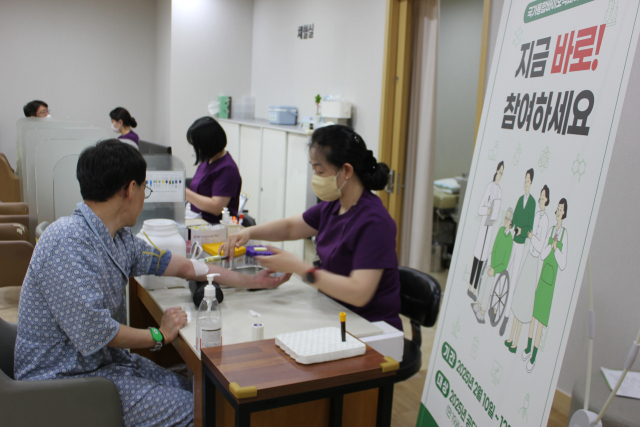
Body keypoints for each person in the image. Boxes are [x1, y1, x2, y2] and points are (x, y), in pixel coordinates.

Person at [14, 139, 290, 427]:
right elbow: (97, 333)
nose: (144, 196)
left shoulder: (116, 238)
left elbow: (185, 266)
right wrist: (159, 335)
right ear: (130, 189)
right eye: (145, 188)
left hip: (102, 366)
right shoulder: (67, 242)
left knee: (197, 390)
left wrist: (252, 281)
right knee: (208, 411)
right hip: (63, 384)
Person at [222, 125, 403, 330]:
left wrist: (298, 267)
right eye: (313, 169)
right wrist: (249, 231)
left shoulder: (374, 222)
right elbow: (291, 227)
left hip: (370, 327)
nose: (315, 177)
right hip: (334, 311)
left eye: (320, 170)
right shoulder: (334, 204)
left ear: (346, 170)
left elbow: (359, 293)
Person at [524, 198, 568, 373]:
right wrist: (550, 247)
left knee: (541, 319)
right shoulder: (551, 230)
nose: (558, 211)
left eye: (560, 209)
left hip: (550, 284)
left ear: (564, 213)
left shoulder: (565, 234)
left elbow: (563, 264)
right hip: (542, 279)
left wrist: (556, 248)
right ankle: (527, 347)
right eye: (557, 208)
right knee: (533, 316)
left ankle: (534, 356)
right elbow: (542, 255)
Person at [505, 185, 550, 353]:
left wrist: (532, 237)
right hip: (528, 258)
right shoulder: (537, 215)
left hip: (534, 261)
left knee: (525, 301)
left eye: (543, 196)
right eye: (540, 195)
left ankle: (516, 341)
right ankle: (511, 338)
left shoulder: (544, 220)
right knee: (518, 297)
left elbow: (540, 245)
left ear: (547, 199)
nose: (540, 198)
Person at [499, 168, 536, 336]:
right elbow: (513, 221)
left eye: (528, 181)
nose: (525, 183)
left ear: (531, 183)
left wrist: (522, 230)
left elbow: (530, 225)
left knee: (513, 279)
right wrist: (511, 228)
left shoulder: (532, 202)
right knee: (504, 271)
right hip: (513, 240)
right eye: (525, 180)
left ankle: (506, 316)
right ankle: (497, 307)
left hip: (521, 244)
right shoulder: (520, 199)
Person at [185, 117, 242, 224]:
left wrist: (185, 192)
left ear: (207, 145)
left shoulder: (227, 169)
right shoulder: (207, 161)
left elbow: (217, 208)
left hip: (215, 229)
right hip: (199, 221)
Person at [468, 161, 503, 301]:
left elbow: (498, 211)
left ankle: (476, 288)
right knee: (477, 257)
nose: (500, 175)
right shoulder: (489, 187)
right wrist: (486, 210)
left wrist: (493, 214)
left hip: (490, 227)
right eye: (499, 172)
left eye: (502, 173)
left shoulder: (500, 191)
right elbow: (479, 208)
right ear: (495, 171)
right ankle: (470, 285)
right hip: (483, 226)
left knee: (483, 259)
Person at [472, 208, 514, 324]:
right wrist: (491, 265)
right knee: (484, 278)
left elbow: (505, 262)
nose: (506, 220)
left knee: (489, 285)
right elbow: (495, 249)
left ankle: (483, 311)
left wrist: (495, 270)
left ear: (512, 222)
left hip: (498, 269)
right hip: (492, 263)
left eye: (508, 219)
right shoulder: (500, 231)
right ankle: (479, 304)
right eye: (505, 218)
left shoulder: (510, 240)